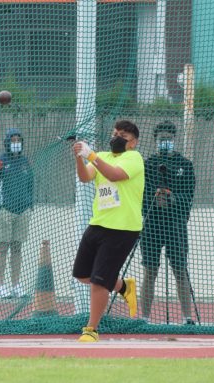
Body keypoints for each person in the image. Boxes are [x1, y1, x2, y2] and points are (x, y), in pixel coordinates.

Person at [72, 120, 144, 342]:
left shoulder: (134, 158)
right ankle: (123, 286)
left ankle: (91, 329)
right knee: (83, 275)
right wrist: (79, 157)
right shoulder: (104, 156)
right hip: (98, 223)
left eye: (123, 135)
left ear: (133, 142)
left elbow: (113, 175)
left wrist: (91, 155)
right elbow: (85, 177)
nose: (117, 137)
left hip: (122, 228)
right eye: (115, 133)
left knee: (99, 281)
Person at [140, 120, 196, 325]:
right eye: (162, 139)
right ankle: (144, 317)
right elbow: (140, 195)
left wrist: (172, 199)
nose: (165, 142)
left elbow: (189, 196)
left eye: (169, 139)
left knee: (180, 269)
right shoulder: (147, 165)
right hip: (152, 224)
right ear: (155, 140)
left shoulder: (185, 165)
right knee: (150, 270)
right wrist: (154, 199)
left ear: (175, 139)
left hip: (176, 223)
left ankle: (187, 317)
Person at [0, 128, 34, 298]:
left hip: (23, 211)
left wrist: (30, 205)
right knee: (2, 247)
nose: (16, 143)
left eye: (18, 140)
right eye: (13, 140)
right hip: (5, 211)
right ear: (7, 142)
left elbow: (31, 184)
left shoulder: (25, 162)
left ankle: (16, 285)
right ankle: (0, 287)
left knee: (17, 247)